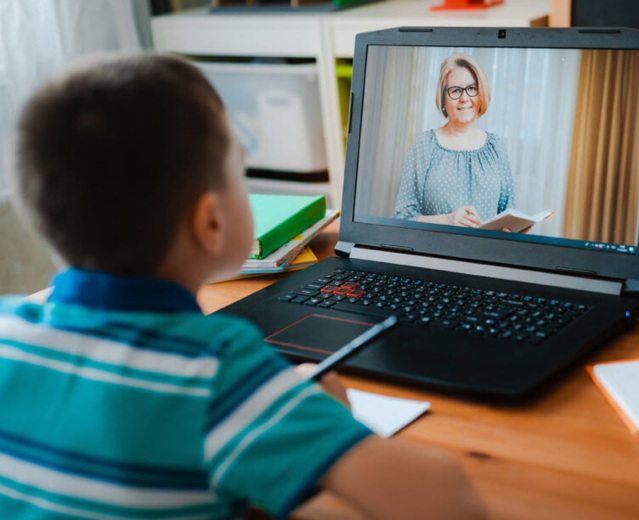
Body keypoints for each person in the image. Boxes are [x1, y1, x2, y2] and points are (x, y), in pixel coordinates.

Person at [1, 52, 486, 520]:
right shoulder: (218, 376)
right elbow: (449, 504)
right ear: (210, 221)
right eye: (240, 171)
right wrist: (326, 419)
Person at [393, 52, 515, 229]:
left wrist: (513, 229)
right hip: (436, 253)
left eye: (472, 88)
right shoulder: (424, 144)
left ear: (481, 93)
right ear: (443, 98)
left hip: (485, 254)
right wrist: (448, 220)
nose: (464, 98)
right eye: (455, 91)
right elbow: (402, 217)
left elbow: (508, 212)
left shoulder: (496, 146)